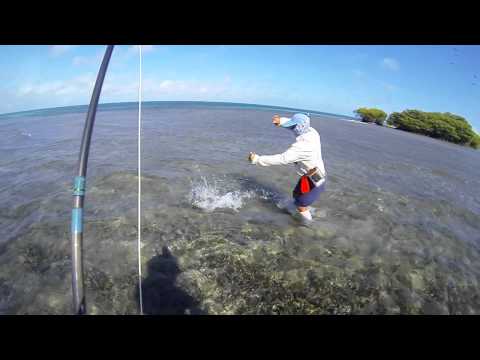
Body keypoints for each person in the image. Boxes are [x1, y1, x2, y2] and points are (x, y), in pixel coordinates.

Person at [248, 113, 326, 222]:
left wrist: (257, 160)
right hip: (311, 175)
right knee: (296, 195)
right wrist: (281, 121)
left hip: (314, 181)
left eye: (293, 126)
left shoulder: (302, 147)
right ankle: (302, 209)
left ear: (298, 127)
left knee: (301, 205)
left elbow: (282, 159)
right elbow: (296, 125)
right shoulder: (312, 132)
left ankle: (309, 225)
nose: (292, 128)